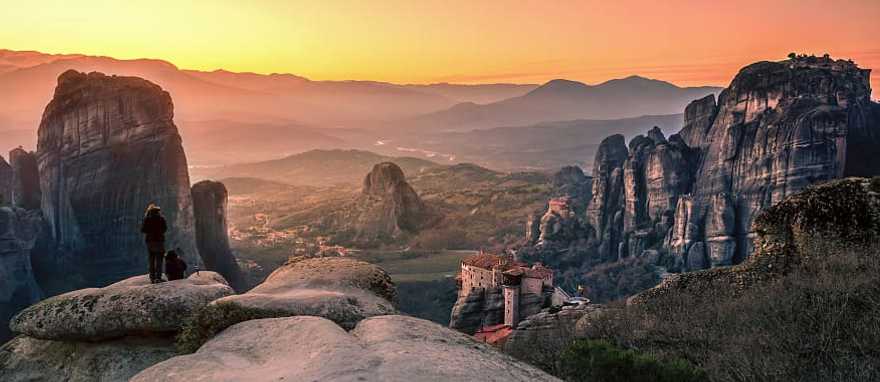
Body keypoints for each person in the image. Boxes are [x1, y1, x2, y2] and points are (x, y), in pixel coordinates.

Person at [141, 204, 167, 283]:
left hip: (149, 241)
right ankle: (158, 277)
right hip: (159, 241)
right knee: (159, 259)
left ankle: (152, 277)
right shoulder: (161, 219)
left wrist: (150, 232)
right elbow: (165, 228)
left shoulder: (147, 219)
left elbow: (143, 230)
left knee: (151, 259)